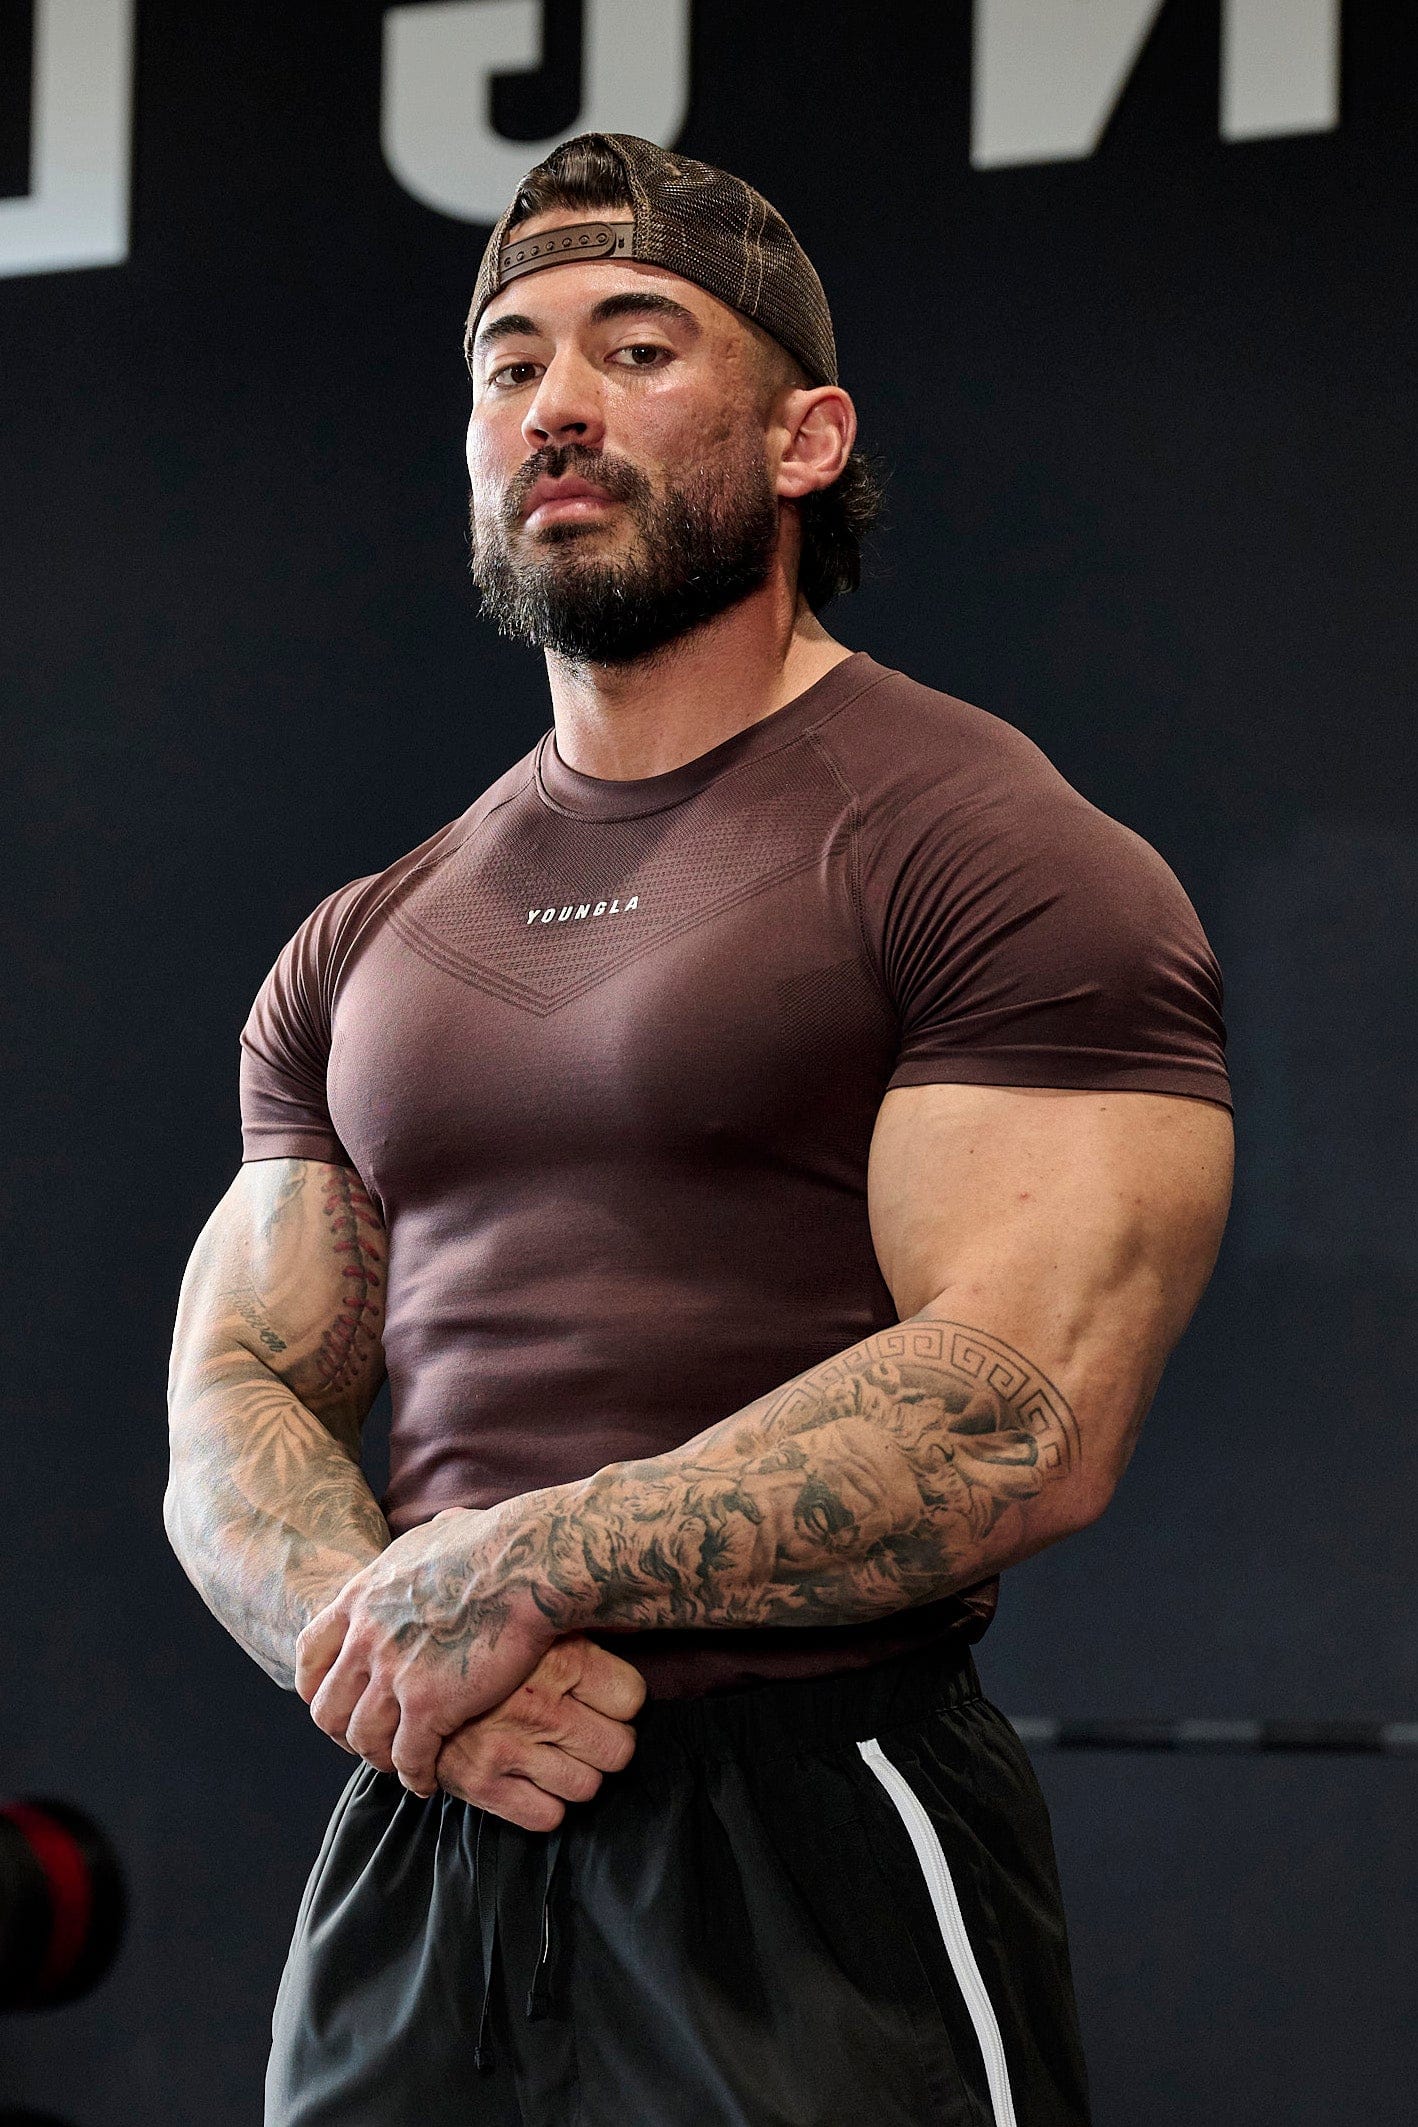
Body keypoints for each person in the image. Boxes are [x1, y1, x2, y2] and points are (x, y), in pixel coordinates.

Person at [164, 132, 1233, 2127]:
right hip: (435, 1810)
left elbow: (1022, 1404)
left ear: (807, 437)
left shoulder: (989, 852)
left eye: (636, 347)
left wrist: (528, 1566)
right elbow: (236, 1389)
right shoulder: (366, 937)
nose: (554, 403)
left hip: (809, 1831)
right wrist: (386, 1650)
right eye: (509, 363)